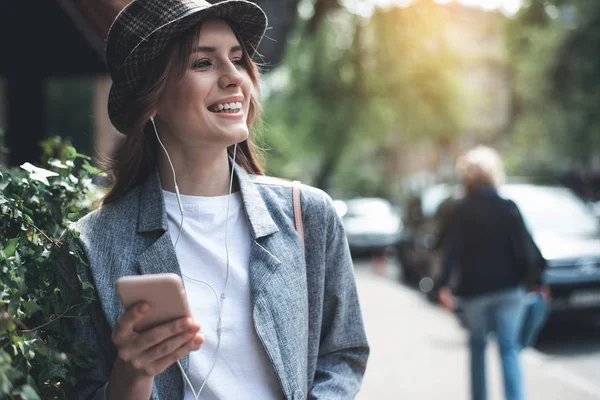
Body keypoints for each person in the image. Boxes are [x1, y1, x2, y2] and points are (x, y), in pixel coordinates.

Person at [60, 1, 369, 399]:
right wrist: (132, 375)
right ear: (150, 99)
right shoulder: (92, 244)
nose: (234, 78)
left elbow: (343, 353)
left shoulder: (307, 215)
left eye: (238, 60)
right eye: (203, 63)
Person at [436, 146, 547, 400]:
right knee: (509, 347)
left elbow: (450, 250)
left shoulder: (460, 210)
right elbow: (527, 248)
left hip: (474, 293)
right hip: (509, 290)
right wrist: (539, 281)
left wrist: (442, 286)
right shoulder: (508, 207)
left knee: (477, 345)